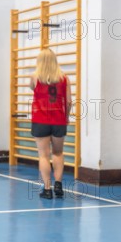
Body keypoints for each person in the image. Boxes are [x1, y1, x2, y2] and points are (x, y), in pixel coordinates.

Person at [29, 48, 72, 199]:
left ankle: (47, 190)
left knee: (44, 156)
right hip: (58, 120)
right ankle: (59, 186)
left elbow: (33, 89)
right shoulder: (64, 78)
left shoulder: (34, 77)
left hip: (40, 120)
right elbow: (68, 102)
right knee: (58, 153)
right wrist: (65, 118)